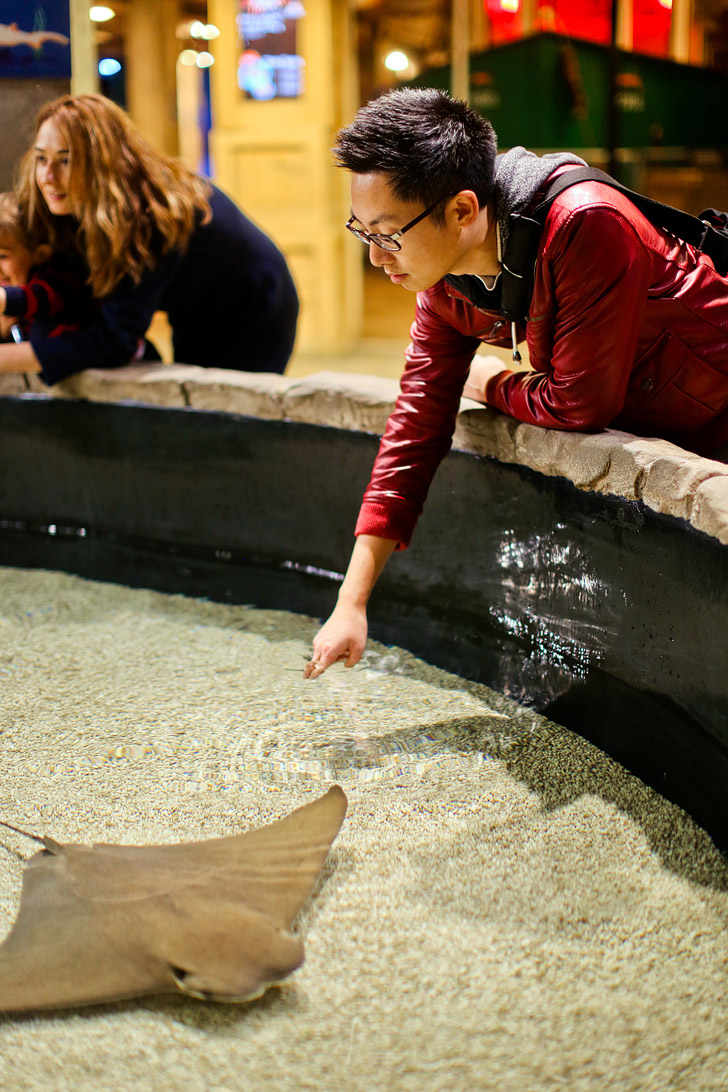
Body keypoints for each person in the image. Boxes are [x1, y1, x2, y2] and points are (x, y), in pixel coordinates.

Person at [304, 87, 728, 679]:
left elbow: (579, 403)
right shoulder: (445, 282)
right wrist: (352, 602)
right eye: (364, 232)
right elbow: (416, 423)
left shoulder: (584, 222)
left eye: (389, 233)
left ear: (462, 209)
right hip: (665, 419)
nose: (377, 258)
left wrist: (489, 382)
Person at [0, 93, 299, 384]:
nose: (48, 176)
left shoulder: (144, 216)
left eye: (65, 161)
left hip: (251, 308)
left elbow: (115, 341)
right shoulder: (61, 201)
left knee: (218, 416)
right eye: (41, 158)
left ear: (101, 163)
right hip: (190, 308)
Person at [0, 191, 95, 344]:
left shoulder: (55, 283)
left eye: (3, 256)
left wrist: (7, 300)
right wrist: (4, 332)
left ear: (41, 255)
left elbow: (35, 298)